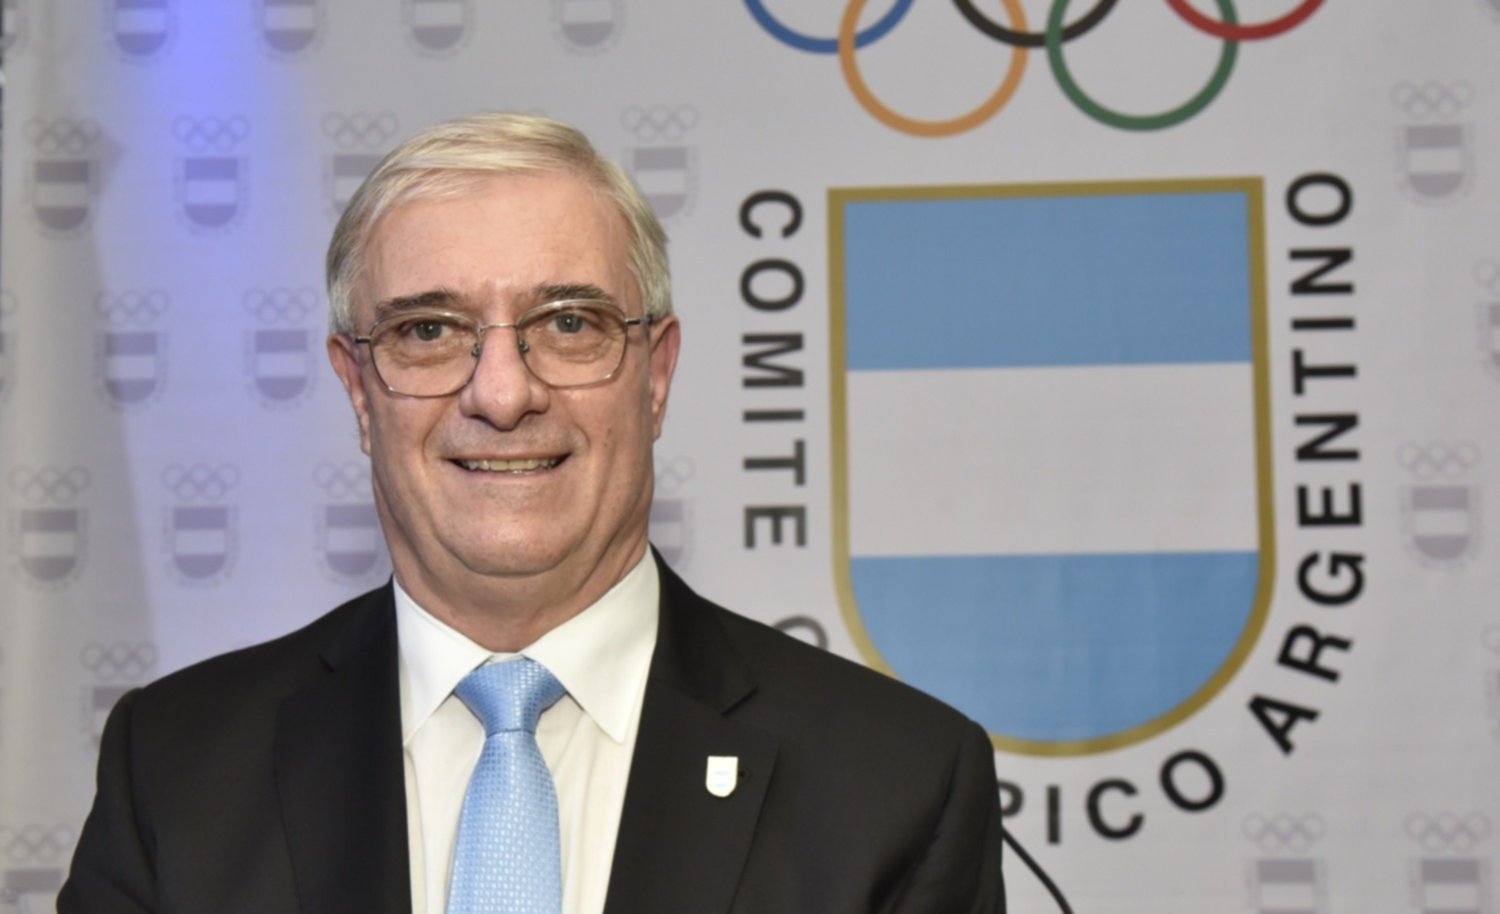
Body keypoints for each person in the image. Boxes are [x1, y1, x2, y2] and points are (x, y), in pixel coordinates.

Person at [59, 113, 1005, 913]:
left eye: (569, 323)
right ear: (357, 390)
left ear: (656, 375)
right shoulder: (177, 768)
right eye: (429, 331)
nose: (503, 394)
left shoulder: (895, 783)